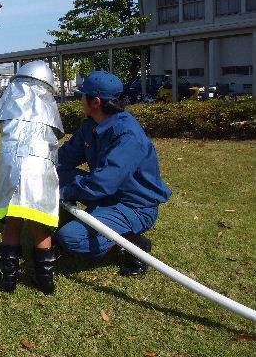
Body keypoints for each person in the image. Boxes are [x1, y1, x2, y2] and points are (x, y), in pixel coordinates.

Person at [55, 70, 172, 276]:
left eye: (82, 95)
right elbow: (64, 158)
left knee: (70, 238)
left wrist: (66, 191)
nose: (80, 99)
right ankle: (70, 220)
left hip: (132, 205)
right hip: (105, 194)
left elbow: (102, 184)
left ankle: (133, 244)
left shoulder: (127, 135)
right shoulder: (91, 125)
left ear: (96, 102)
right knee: (53, 174)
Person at [0, 61, 64, 294]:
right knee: (39, 225)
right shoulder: (48, 105)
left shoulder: (13, 96)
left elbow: (1, 124)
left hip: (11, 165)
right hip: (40, 169)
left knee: (12, 223)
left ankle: (8, 280)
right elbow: (56, 135)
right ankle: (45, 281)